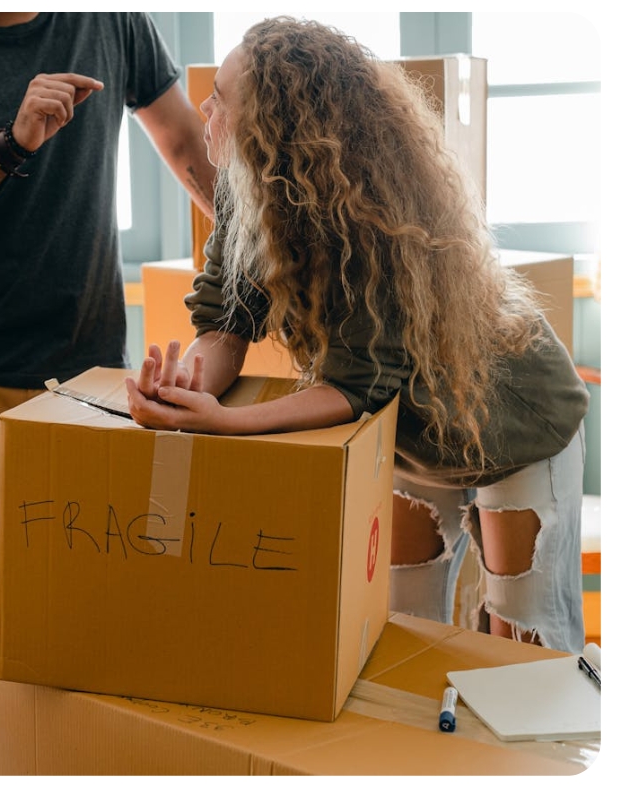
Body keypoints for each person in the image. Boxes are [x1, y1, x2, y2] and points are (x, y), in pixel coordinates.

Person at [125, 17, 589, 657]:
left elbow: (354, 389)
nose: (204, 108)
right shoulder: (245, 187)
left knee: (525, 637)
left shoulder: (368, 221)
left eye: (221, 99)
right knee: (404, 620)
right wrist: (188, 388)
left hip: (512, 421)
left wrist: (226, 424)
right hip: (413, 429)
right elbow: (226, 325)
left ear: (272, 125)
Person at [0, 12, 216, 775]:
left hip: (84, 378)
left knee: (74, 638)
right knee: (9, 647)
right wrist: (9, 145)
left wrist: (272, 250)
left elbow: (186, 145)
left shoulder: (111, 21)